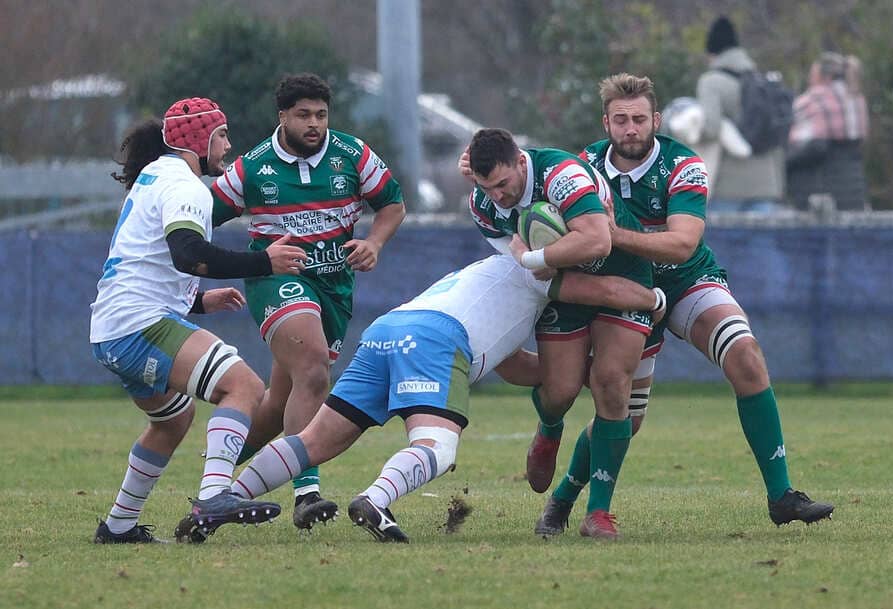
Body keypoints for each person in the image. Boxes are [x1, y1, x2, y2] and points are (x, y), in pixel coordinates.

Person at [533, 73, 833, 536]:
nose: (630, 129)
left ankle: (782, 495)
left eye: (638, 119)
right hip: (627, 290)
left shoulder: (683, 163)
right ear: (605, 123)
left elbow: (681, 245)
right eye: (620, 120)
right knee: (623, 418)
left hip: (686, 280)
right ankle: (563, 500)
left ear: (655, 120)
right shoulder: (584, 164)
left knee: (747, 356)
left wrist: (612, 235)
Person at [222, 252, 664, 543]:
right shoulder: (539, 267)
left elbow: (513, 367)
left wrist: (583, 375)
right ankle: (376, 499)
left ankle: (224, 499)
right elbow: (607, 291)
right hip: (436, 338)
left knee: (314, 440)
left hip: (389, 329)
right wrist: (656, 298)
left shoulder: (492, 274)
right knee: (437, 446)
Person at [90, 97, 306, 543]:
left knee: (172, 421)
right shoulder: (185, 186)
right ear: (200, 138)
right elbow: (188, 254)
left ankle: (118, 526)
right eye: (222, 135)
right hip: (138, 325)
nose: (228, 146)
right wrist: (264, 262)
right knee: (244, 387)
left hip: (114, 326)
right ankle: (213, 496)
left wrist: (200, 303)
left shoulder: (153, 177)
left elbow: (145, 266)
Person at [211, 73, 406, 532]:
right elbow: (200, 219)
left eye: (320, 114)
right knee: (315, 367)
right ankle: (307, 493)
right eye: (303, 115)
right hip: (278, 281)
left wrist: (374, 243)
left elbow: (393, 205)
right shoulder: (252, 168)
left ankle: (215, 479)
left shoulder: (353, 155)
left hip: (334, 286)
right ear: (282, 116)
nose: (314, 123)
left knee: (283, 399)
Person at [466, 128, 656, 539]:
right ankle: (549, 427)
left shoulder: (562, 175)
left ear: (521, 161)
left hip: (623, 270)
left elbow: (598, 242)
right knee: (560, 391)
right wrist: (536, 263)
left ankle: (597, 511)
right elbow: (532, 275)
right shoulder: (482, 205)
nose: (498, 195)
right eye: (487, 187)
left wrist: (531, 255)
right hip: (564, 288)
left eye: (503, 184)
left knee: (610, 384)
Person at [696, 16, 786, 212]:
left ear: (712, 53)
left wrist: (689, 131)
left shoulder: (711, 82)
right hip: (767, 185)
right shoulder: (763, 81)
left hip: (728, 187)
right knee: (763, 243)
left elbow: (711, 129)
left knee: (724, 243)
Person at [787, 52, 869, 211]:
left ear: (826, 77)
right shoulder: (857, 98)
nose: (810, 80)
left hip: (819, 193)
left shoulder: (812, 99)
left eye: (813, 75)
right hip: (854, 188)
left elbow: (802, 143)